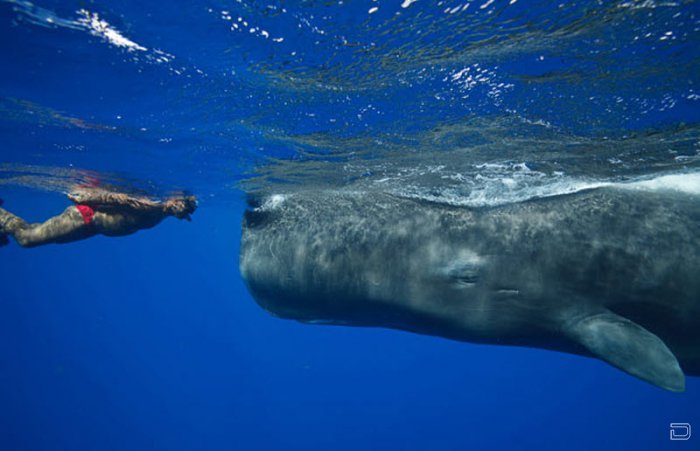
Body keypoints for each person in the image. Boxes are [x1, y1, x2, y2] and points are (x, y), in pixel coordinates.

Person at [0, 188, 197, 248]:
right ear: (174, 200)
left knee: (43, 234)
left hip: (92, 228)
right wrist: (90, 196)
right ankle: (4, 219)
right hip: (86, 217)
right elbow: (121, 199)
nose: (182, 210)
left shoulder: (162, 211)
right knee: (27, 239)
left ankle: (4, 225)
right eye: (182, 205)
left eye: (186, 209)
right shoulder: (151, 206)